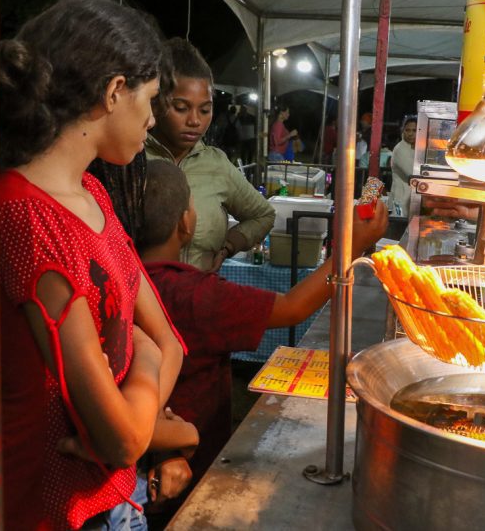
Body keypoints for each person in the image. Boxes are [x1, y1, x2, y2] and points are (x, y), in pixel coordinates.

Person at [0, 0, 192, 529]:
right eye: (150, 100)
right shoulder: (27, 219)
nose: (152, 119)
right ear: (113, 92)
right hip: (54, 511)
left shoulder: (93, 196)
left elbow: (171, 344)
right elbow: (124, 438)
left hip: (113, 496)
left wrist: (135, 418)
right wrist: (146, 362)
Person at [135, 160, 388, 517]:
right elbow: (293, 307)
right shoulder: (194, 294)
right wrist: (353, 246)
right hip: (190, 461)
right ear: (186, 223)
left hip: (142, 450)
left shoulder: (122, 278)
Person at [145, 38, 275, 272]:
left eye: (205, 109)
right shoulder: (131, 157)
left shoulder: (216, 164)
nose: (195, 120)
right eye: (181, 108)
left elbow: (263, 215)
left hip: (200, 289)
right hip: (138, 292)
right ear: (155, 103)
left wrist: (228, 246)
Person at [390, 117, 417, 217]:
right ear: (403, 131)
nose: (410, 134)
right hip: (400, 201)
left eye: (414, 130)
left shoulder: (416, 148)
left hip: (411, 201)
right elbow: (413, 173)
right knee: (399, 223)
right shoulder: (400, 149)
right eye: (407, 130)